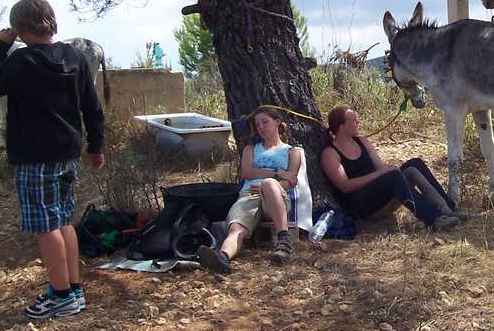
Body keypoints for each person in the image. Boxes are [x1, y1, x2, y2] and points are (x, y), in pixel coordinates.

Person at [0, 0, 105, 320]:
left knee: (45, 225)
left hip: (36, 157)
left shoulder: (22, 62)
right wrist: (96, 146)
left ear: (20, 28)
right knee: (64, 220)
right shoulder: (74, 56)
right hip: (67, 154)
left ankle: (60, 295)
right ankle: (73, 289)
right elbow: (91, 107)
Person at [321, 106, 467, 231]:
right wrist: (378, 175)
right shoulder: (330, 153)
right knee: (393, 177)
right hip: (359, 205)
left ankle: (449, 210)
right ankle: (434, 219)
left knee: (414, 164)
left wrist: (386, 171)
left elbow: (382, 169)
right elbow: (345, 186)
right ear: (342, 127)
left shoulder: (363, 142)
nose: (358, 122)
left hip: (380, 192)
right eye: (353, 120)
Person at [198, 106, 301, 275]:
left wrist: (268, 185)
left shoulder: (291, 151)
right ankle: (222, 257)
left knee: (268, 184)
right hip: (248, 195)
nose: (261, 127)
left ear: (277, 122)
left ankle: (284, 241)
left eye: (265, 122)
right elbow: (247, 173)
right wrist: (278, 173)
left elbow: (290, 181)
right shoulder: (251, 149)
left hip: (275, 198)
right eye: (257, 124)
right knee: (236, 228)